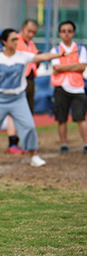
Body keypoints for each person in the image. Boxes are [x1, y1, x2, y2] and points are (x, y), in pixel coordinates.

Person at [0, 28, 74, 167]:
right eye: (13, 39)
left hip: (18, 98)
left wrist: (62, 54)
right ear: (4, 42)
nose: (16, 41)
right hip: (0, 99)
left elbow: (43, 57)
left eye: (17, 39)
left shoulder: (23, 56)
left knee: (29, 126)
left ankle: (34, 156)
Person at [50, 20, 87, 155]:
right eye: (64, 31)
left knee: (81, 117)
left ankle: (86, 143)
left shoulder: (80, 49)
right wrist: (74, 67)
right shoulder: (55, 50)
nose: (67, 34)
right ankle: (63, 144)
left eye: (69, 31)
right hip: (61, 87)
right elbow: (56, 68)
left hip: (77, 87)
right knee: (61, 118)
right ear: (60, 33)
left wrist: (63, 68)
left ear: (73, 33)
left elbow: (82, 67)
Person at [6, 19, 40, 154]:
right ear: (22, 28)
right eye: (29, 31)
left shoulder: (31, 45)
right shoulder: (14, 41)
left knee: (26, 113)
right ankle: (12, 143)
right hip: (17, 80)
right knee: (15, 112)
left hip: (30, 80)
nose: (31, 34)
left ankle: (23, 141)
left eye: (34, 32)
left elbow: (35, 60)